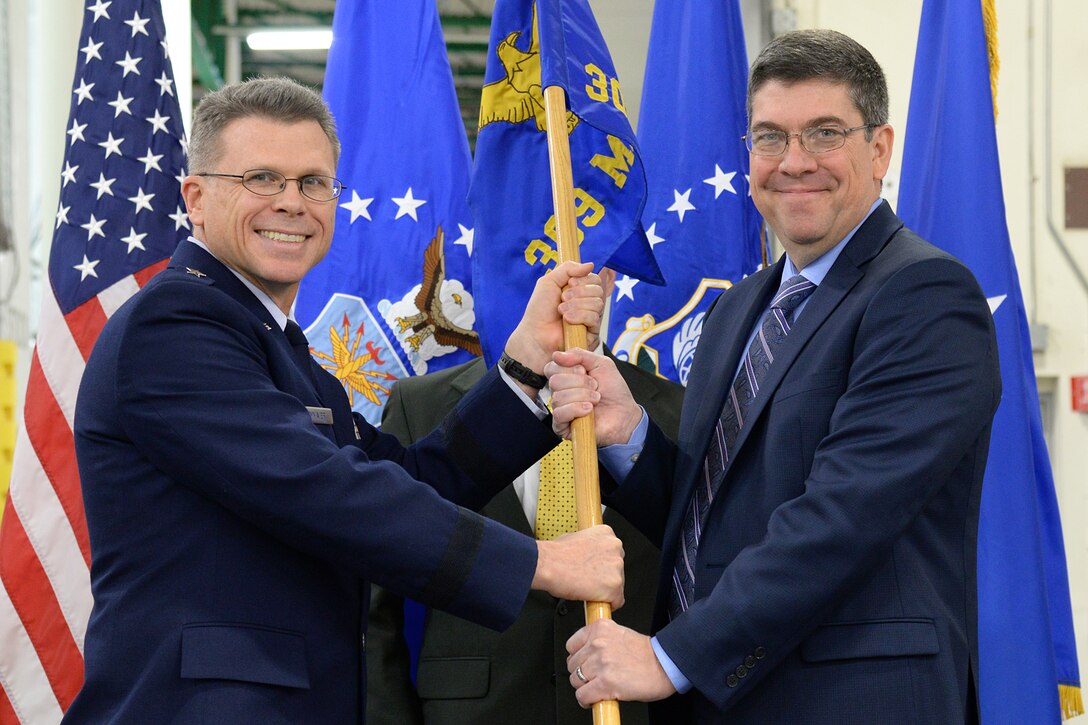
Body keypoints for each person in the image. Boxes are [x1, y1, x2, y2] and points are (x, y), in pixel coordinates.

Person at [67, 77, 624, 724]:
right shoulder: (173, 327)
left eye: (312, 182)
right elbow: (325, 490)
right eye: (261, 179)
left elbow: (410, 479)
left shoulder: (278, 349)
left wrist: (526, 365)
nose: (292, 203)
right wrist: (539, 562)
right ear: (195, 197)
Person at [546, 29, 1000, 724]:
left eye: (824, 134)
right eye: (770, 137)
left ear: (879, 150)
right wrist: (628, 431)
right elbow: (721, 517)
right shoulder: (737, 309)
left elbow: (840, 518)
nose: (794, 162)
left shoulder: (927, 296)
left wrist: (673, 657)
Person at [366, 268, 684, 725]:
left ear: (609, 275)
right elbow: (378, 604)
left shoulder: (679, 410)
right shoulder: (421, 405)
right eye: (532, 255)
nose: (554, 275)